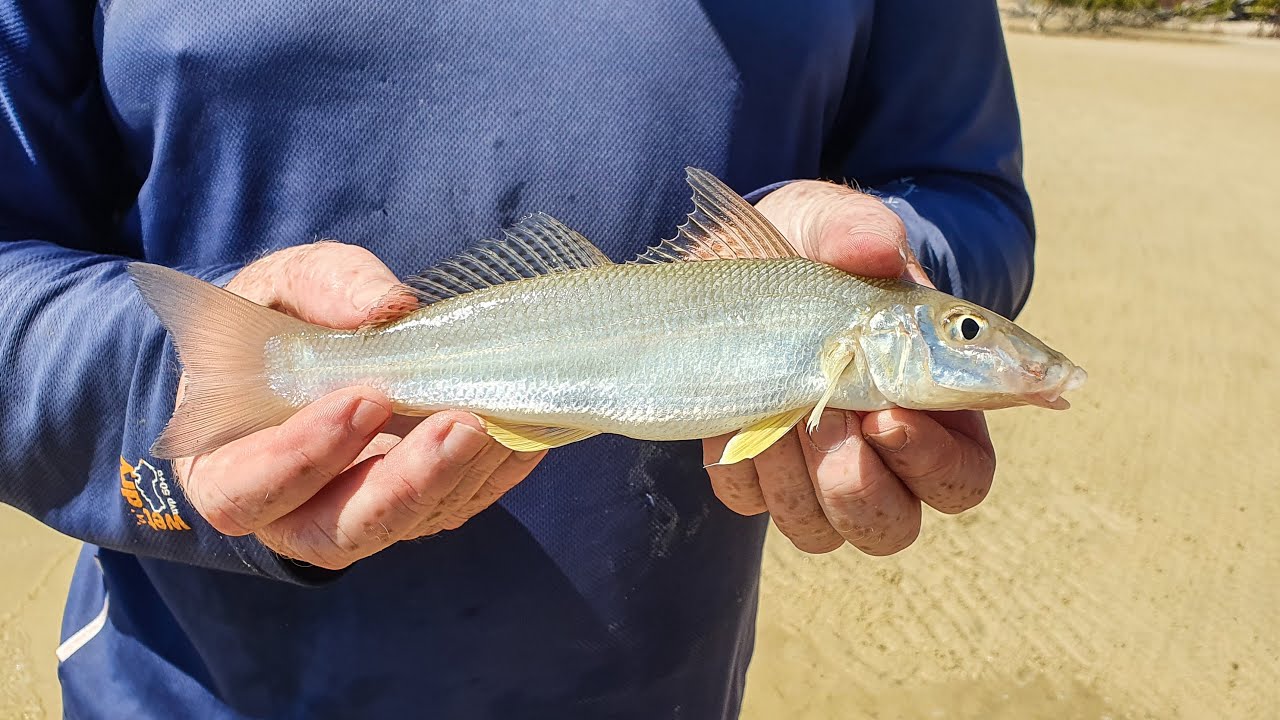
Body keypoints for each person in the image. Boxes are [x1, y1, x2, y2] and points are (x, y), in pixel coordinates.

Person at [0, 1, 1033, 717]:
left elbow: (961, 186)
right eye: (961, 334)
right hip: (182, 692)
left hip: (657, 687)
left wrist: (901, 249)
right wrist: (158, 396)